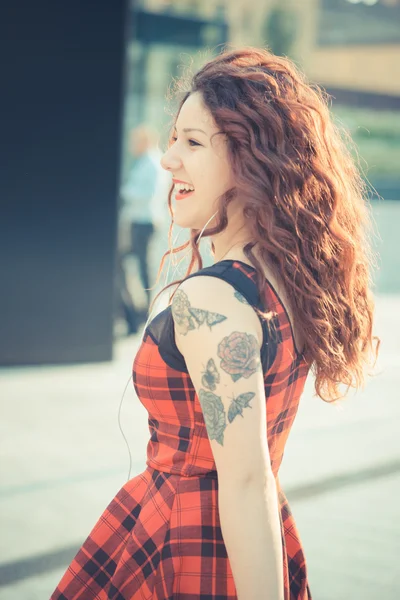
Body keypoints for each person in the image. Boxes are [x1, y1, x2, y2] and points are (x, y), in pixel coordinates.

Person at [51, 47, 380, 599]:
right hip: (244, 537)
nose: (168, 159)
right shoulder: (284, 277)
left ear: (251, 159)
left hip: (185, 543)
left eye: (193, 143)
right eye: (173, 137)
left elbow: (245, 480)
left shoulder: (215, 299)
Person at [118, 124, 162, 333]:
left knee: (143, 267)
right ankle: (137, 310)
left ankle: (145, 310)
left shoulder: (153, 163)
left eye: (136, 141)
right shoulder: (144, 162)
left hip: (144, 221)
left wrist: (126, 191)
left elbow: (148, 193)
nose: (132, 146)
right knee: (133, 265)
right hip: (137, 220)